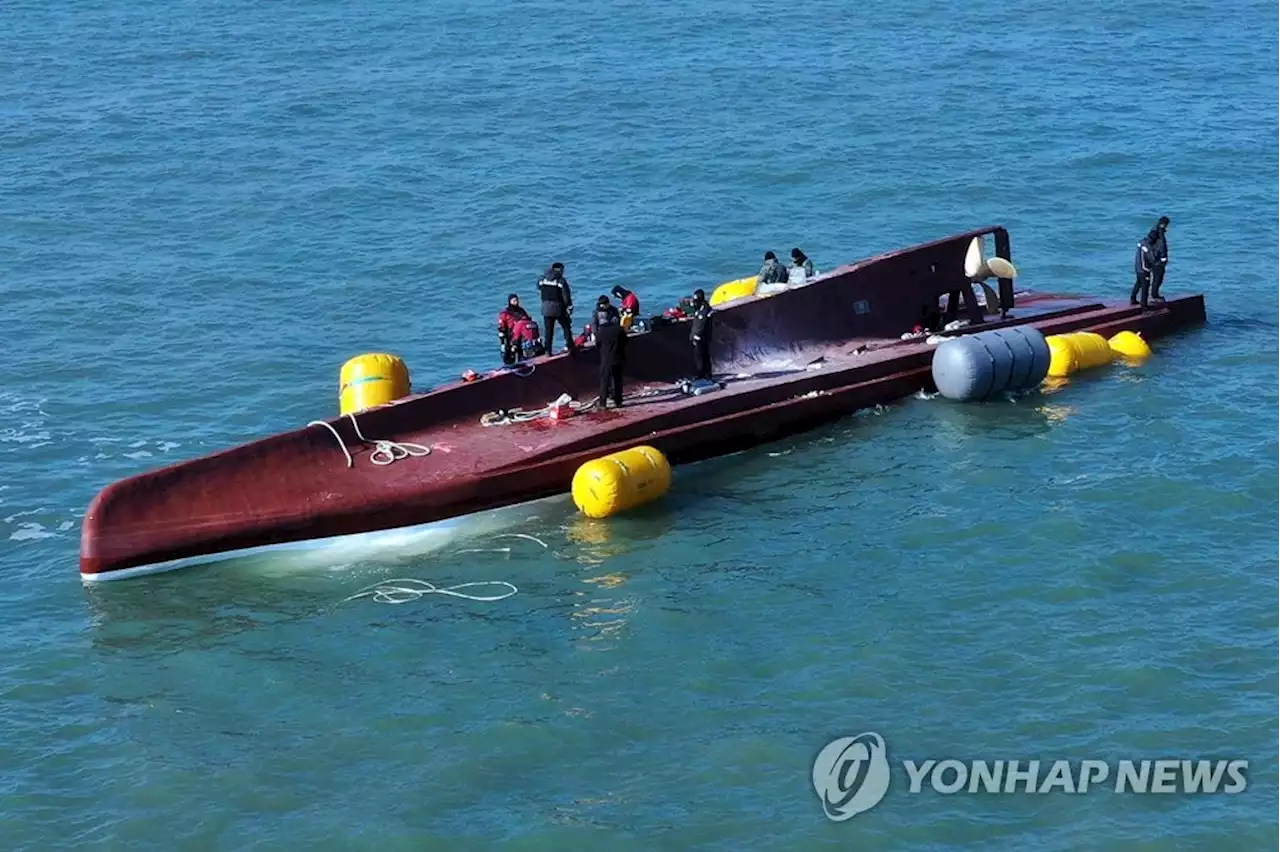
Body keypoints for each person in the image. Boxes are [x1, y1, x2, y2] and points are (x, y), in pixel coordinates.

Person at [593, 296, 625, 409]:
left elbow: (598, 343)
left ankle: (603, 403)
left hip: (606, 357)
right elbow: (624, 341)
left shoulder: (601, 332)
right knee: (617, 379)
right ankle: (618, 401)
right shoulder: (619, 330)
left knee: (604, 380)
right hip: (617, 356)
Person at [538, 262, 577, 354]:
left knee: (548, 331)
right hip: (558, 308)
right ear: (560, 270)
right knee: (566, 326)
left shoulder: (543, 279)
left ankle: (548, 351)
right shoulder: (561, 281)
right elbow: (566, 296)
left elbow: (539, 287)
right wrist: (569, 306)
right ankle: (570, 346)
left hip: (546, 308)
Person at [497, 294, 532, 365]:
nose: (516, 302)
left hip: (522, 334)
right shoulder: (505, 313)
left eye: (517, 300)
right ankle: (509, 364)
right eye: (514, 300)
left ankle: (522, 361)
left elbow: (527, 320)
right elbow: (501, 325)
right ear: (510, 301)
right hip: (510, 334)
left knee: (521, 351)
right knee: (509, 352)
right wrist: (502, 336)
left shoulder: (521, 310)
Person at [1131, 225, 1159, 308]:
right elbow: (1152, 259)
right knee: (1145, 287)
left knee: (1138, 283)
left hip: (1138, 267)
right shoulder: (1148, 247)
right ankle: (1144, 306)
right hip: (1144, 269)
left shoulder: (1141, 242)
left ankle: (1133, 299)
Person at [689, 288, 713, 380]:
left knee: (701, 356)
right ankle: (706, 374)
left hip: (701, 338)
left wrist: (696, 336)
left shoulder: (705, 310)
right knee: (703, 356)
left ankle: (702, 374)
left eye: (696, 300)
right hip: (699, 337)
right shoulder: (700, 307)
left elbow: (701, 325)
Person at [1148, 216, 1170, 302]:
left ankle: (1155, 294)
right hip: (1158, 260)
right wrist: (1163, 257)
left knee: (1157, 278)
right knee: (1158, 278)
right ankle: (1154, 296)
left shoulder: (1154, 231)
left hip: (1154, 259)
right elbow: (1162, 246)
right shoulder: (1159, 232)